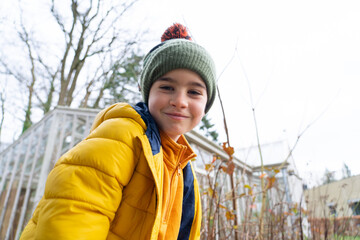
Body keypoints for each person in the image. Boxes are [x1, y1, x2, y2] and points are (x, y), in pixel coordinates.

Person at [20, 23, 216, 240]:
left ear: (206, 103)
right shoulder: (121, 136)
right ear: (147, 92)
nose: (179, 101)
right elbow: (73, 214)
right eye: (167, 87)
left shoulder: (183, 167)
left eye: (194, 92)